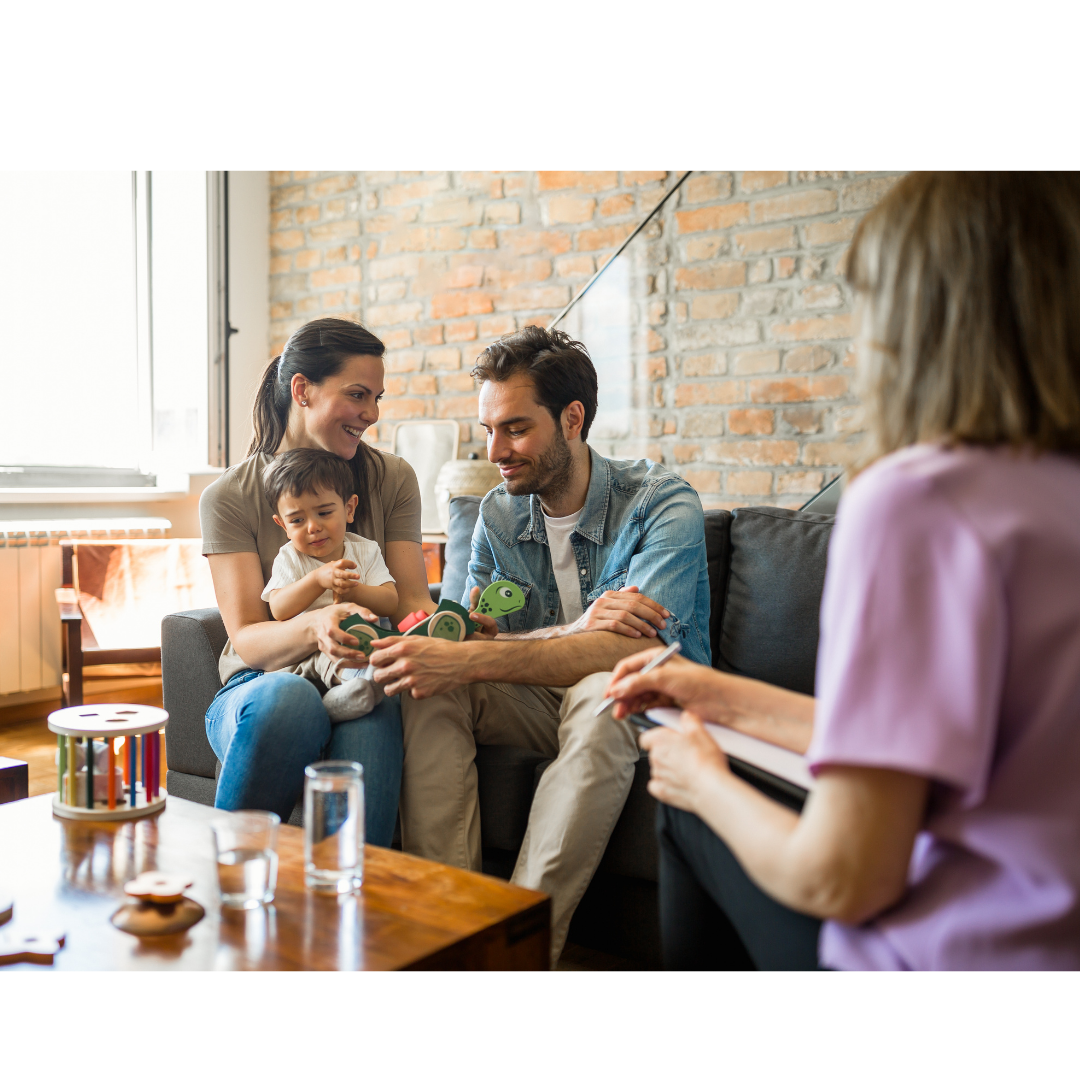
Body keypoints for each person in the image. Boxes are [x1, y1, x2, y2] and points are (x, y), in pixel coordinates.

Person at [605, 172, 1080, 971]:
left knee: (682, 801)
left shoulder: (921, 499)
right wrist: (719, 695)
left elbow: (841, 877)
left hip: (962, 962)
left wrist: (702, 779)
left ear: (915, 322)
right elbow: (954, 744)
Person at [367, 325, 712, 961]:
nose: (496, 449)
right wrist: (467, 644)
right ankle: (450, 933)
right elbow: (468, 631)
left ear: (573, 418)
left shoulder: (661, 504)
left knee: (602, 695)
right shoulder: (499, 513)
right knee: (430, 686)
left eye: (516, 428)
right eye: (488, 429)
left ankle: (514, 953)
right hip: (538, 699)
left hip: (640, 705)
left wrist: (479, 654)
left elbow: (632, 659)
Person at [199, 317, 435, 845]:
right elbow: (250, 640)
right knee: (289, 701)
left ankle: (348, 906)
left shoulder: (392, 479)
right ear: (301, 390)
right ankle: (230, 876)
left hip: (358, 668)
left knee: (373, 704)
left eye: (376, 397)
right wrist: (318, 623)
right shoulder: (229, 498)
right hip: (256, 684)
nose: (371, 414)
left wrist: (448, 630)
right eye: (357, 395)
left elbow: (413, 602)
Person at [261, 447, 397, 721]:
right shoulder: (290, 557)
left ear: (349, 509)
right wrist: (317, 580)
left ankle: (361, 686)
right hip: (307, 653)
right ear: (282, 525)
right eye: (297, 520)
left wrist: (355, 590)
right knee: (330, 659)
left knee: (376, 655)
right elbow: (279, 608)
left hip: (361, 645)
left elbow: (390, 602)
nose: (312, 527)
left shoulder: (365, 551)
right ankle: (339, 703)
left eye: (324, 513)